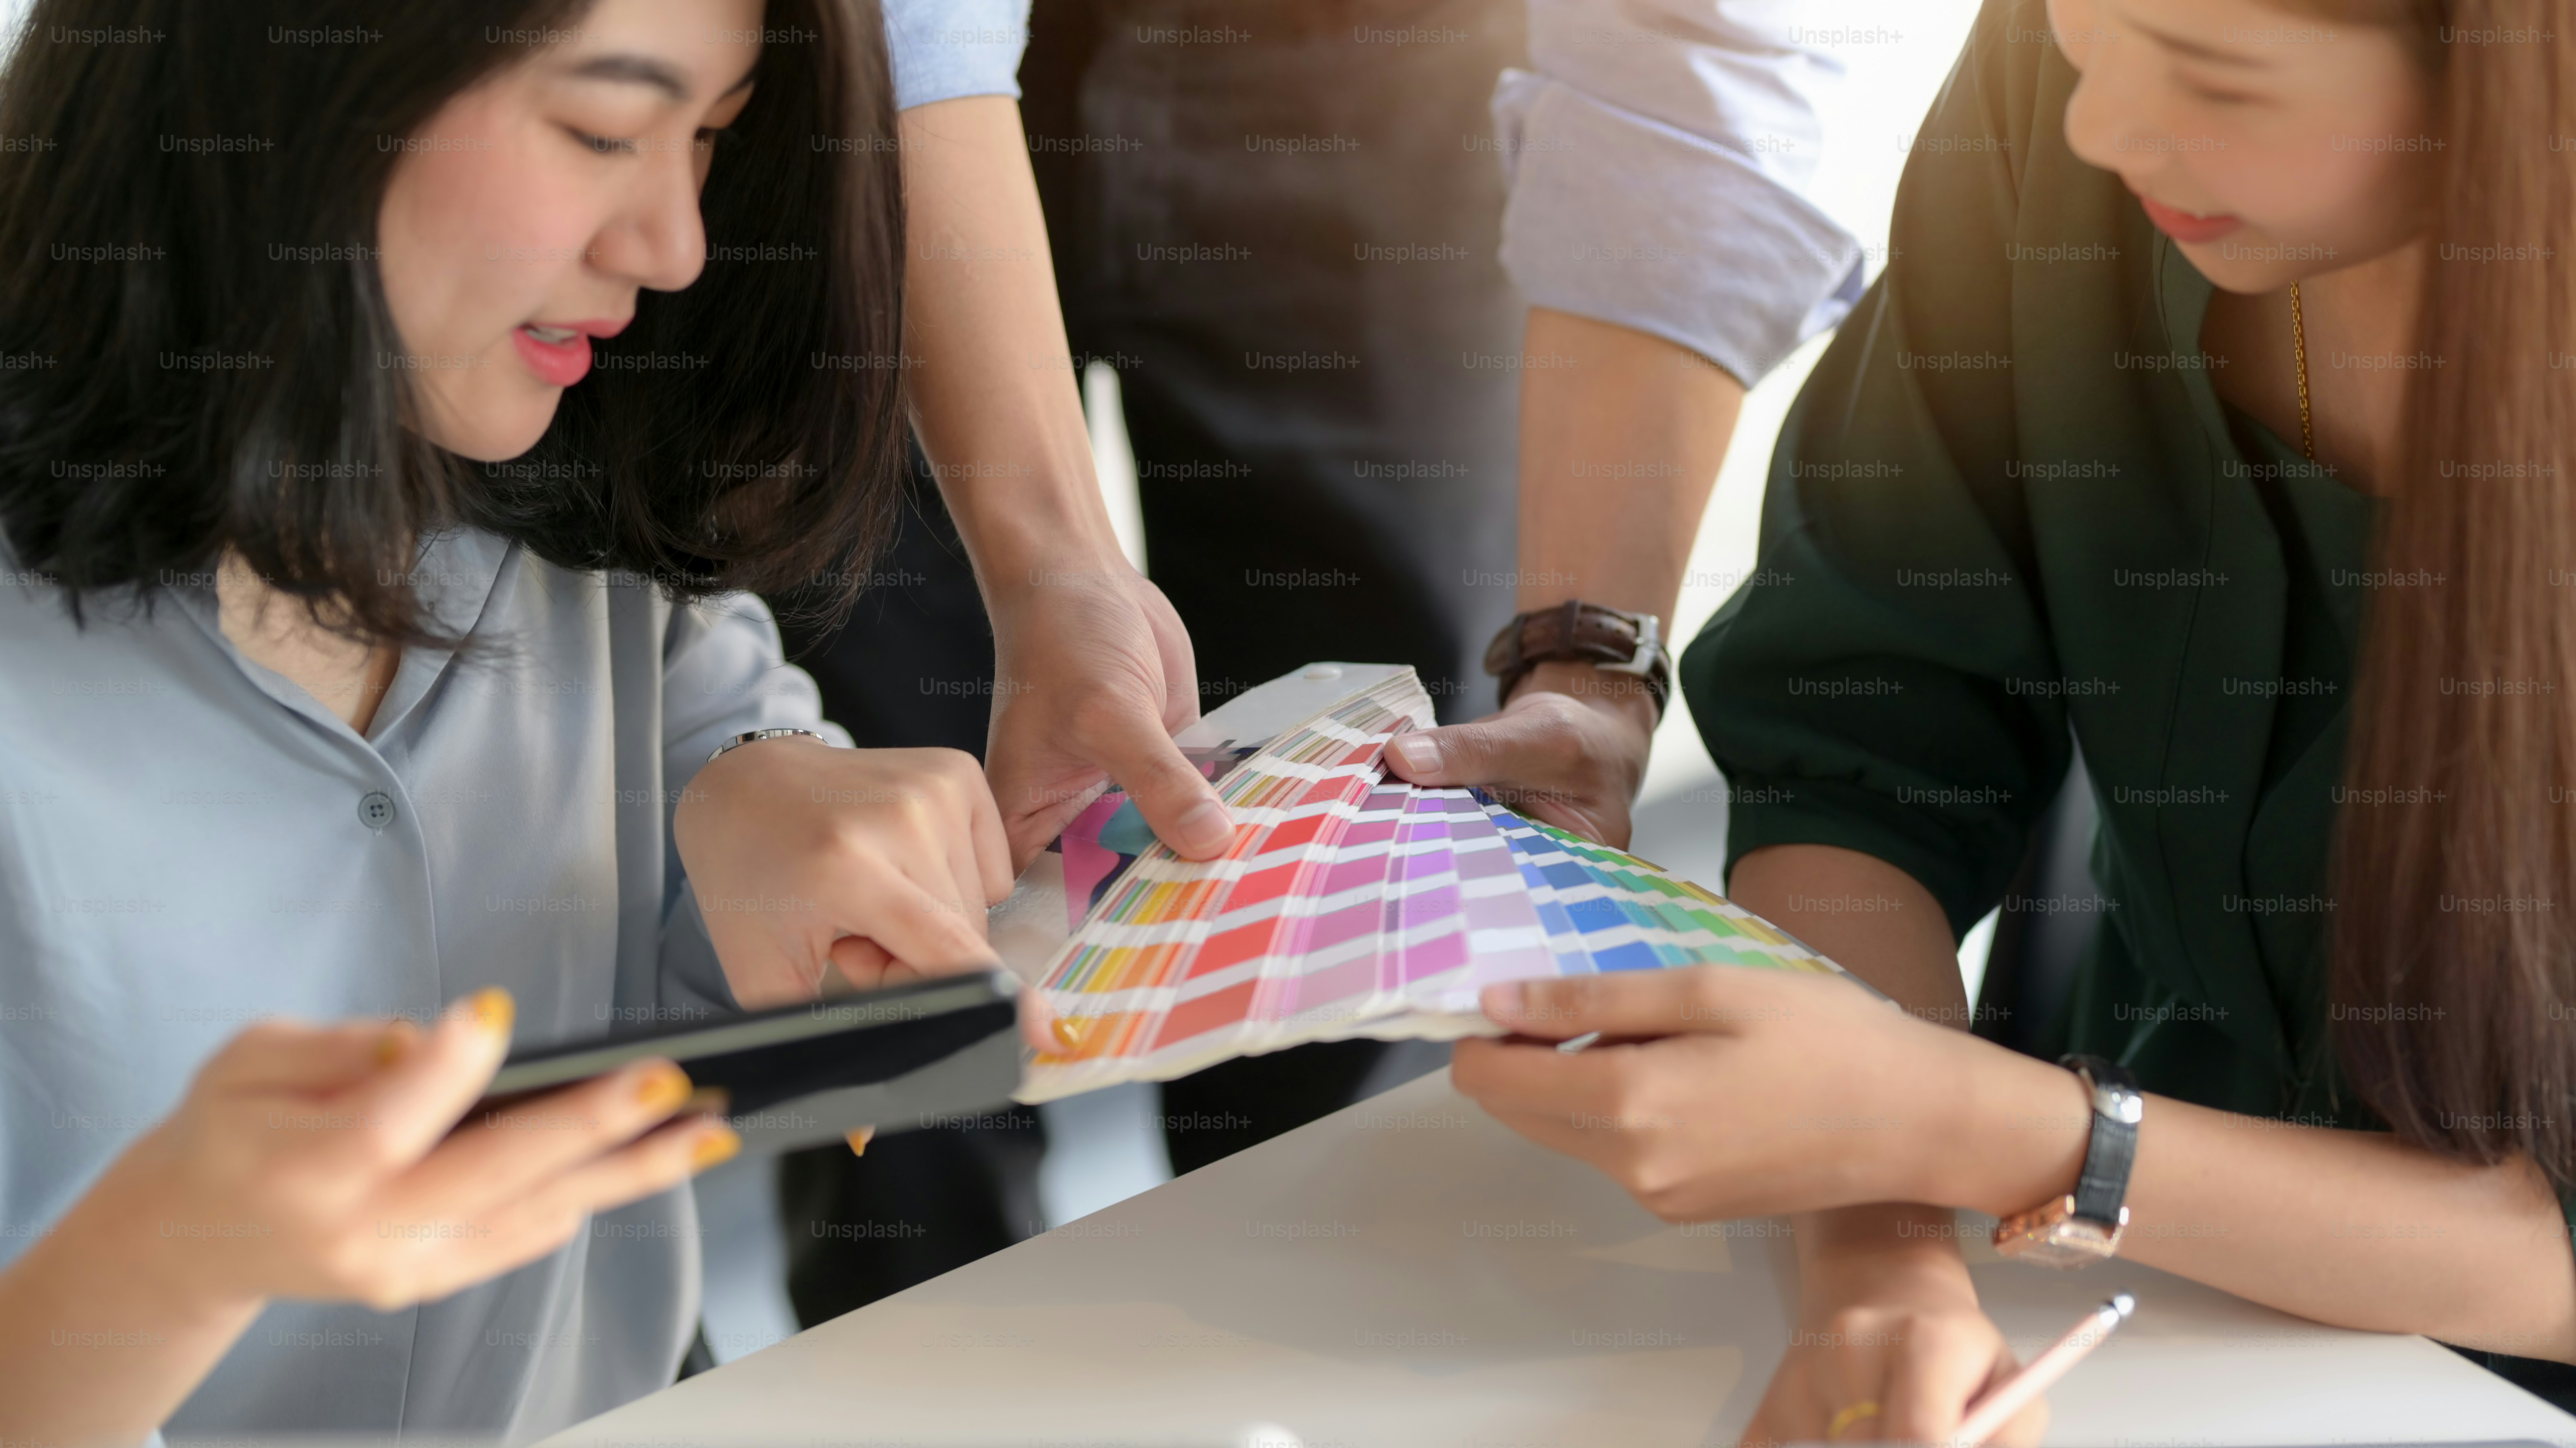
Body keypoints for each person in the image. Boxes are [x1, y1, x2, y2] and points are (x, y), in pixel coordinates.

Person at [1450, 0, 2576, 1440]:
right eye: (2080, 27)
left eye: (2220, 73)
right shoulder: (2070, 104)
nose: (2099, 127)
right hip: (2132, 1304)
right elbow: (1862, 750)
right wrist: (1884, 1260)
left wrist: (1981, 1128)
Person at [0, 0, 1018, 1440]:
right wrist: (163, 1261)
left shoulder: (575, 510)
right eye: (603, 129)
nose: (674, 246)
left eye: (713, 139)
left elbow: (787, 984)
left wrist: (762, 780)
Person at [779, 0, 1870, 1321]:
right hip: (860, 75)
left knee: (1359, 896)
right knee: (891, 893)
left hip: (1377, 89)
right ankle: (904, 1370)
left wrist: (1591, 662)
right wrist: (1051, 558)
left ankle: (1311, 1353)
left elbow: (1695, 52)